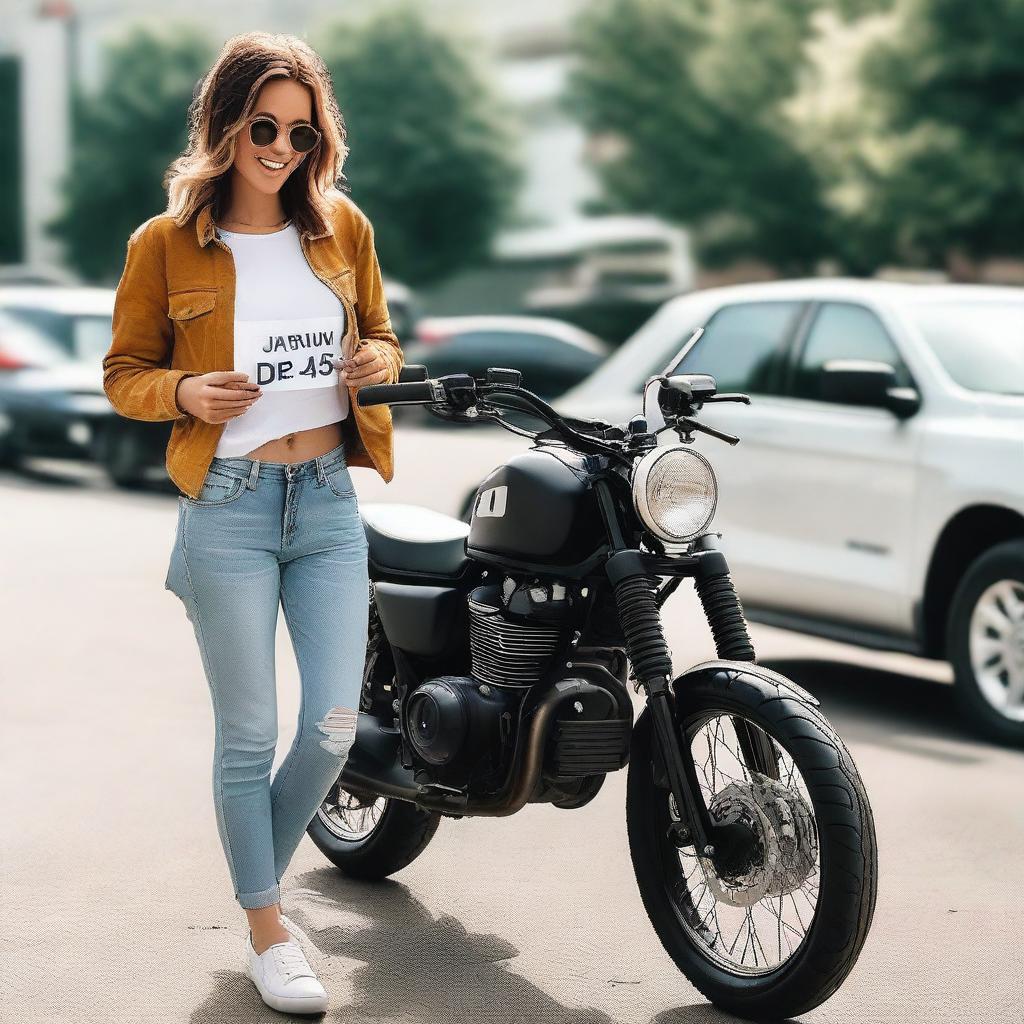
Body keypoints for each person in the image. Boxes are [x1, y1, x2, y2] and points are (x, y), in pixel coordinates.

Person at [102, 31, 404, 1015]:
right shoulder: (166, 244)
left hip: (324, 499)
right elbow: (123, 375)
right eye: (263, 127)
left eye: (301, 132)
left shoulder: (340, 227)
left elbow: (386, 337)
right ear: (226, 126)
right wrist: (186, 388)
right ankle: (271, 927)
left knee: (331, 723)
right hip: (227, 507)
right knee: (249, 735)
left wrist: (374, 366)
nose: (281, 147)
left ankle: (251, 884)